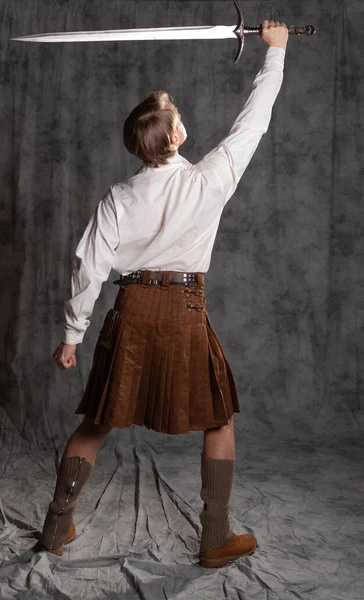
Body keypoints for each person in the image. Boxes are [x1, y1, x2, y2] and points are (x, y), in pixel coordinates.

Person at [34, 20, 289, 568]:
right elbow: (254, 121)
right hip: (183, 310)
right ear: (173, 137)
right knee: (218, 420)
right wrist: (277, 52)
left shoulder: (118, 196)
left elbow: (90, 266)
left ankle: (55, 531)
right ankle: (214, 538)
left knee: (97, 421)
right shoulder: (210, 177)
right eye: (178, 120)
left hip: (129, 313)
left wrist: (72, 335)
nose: (182, 123)